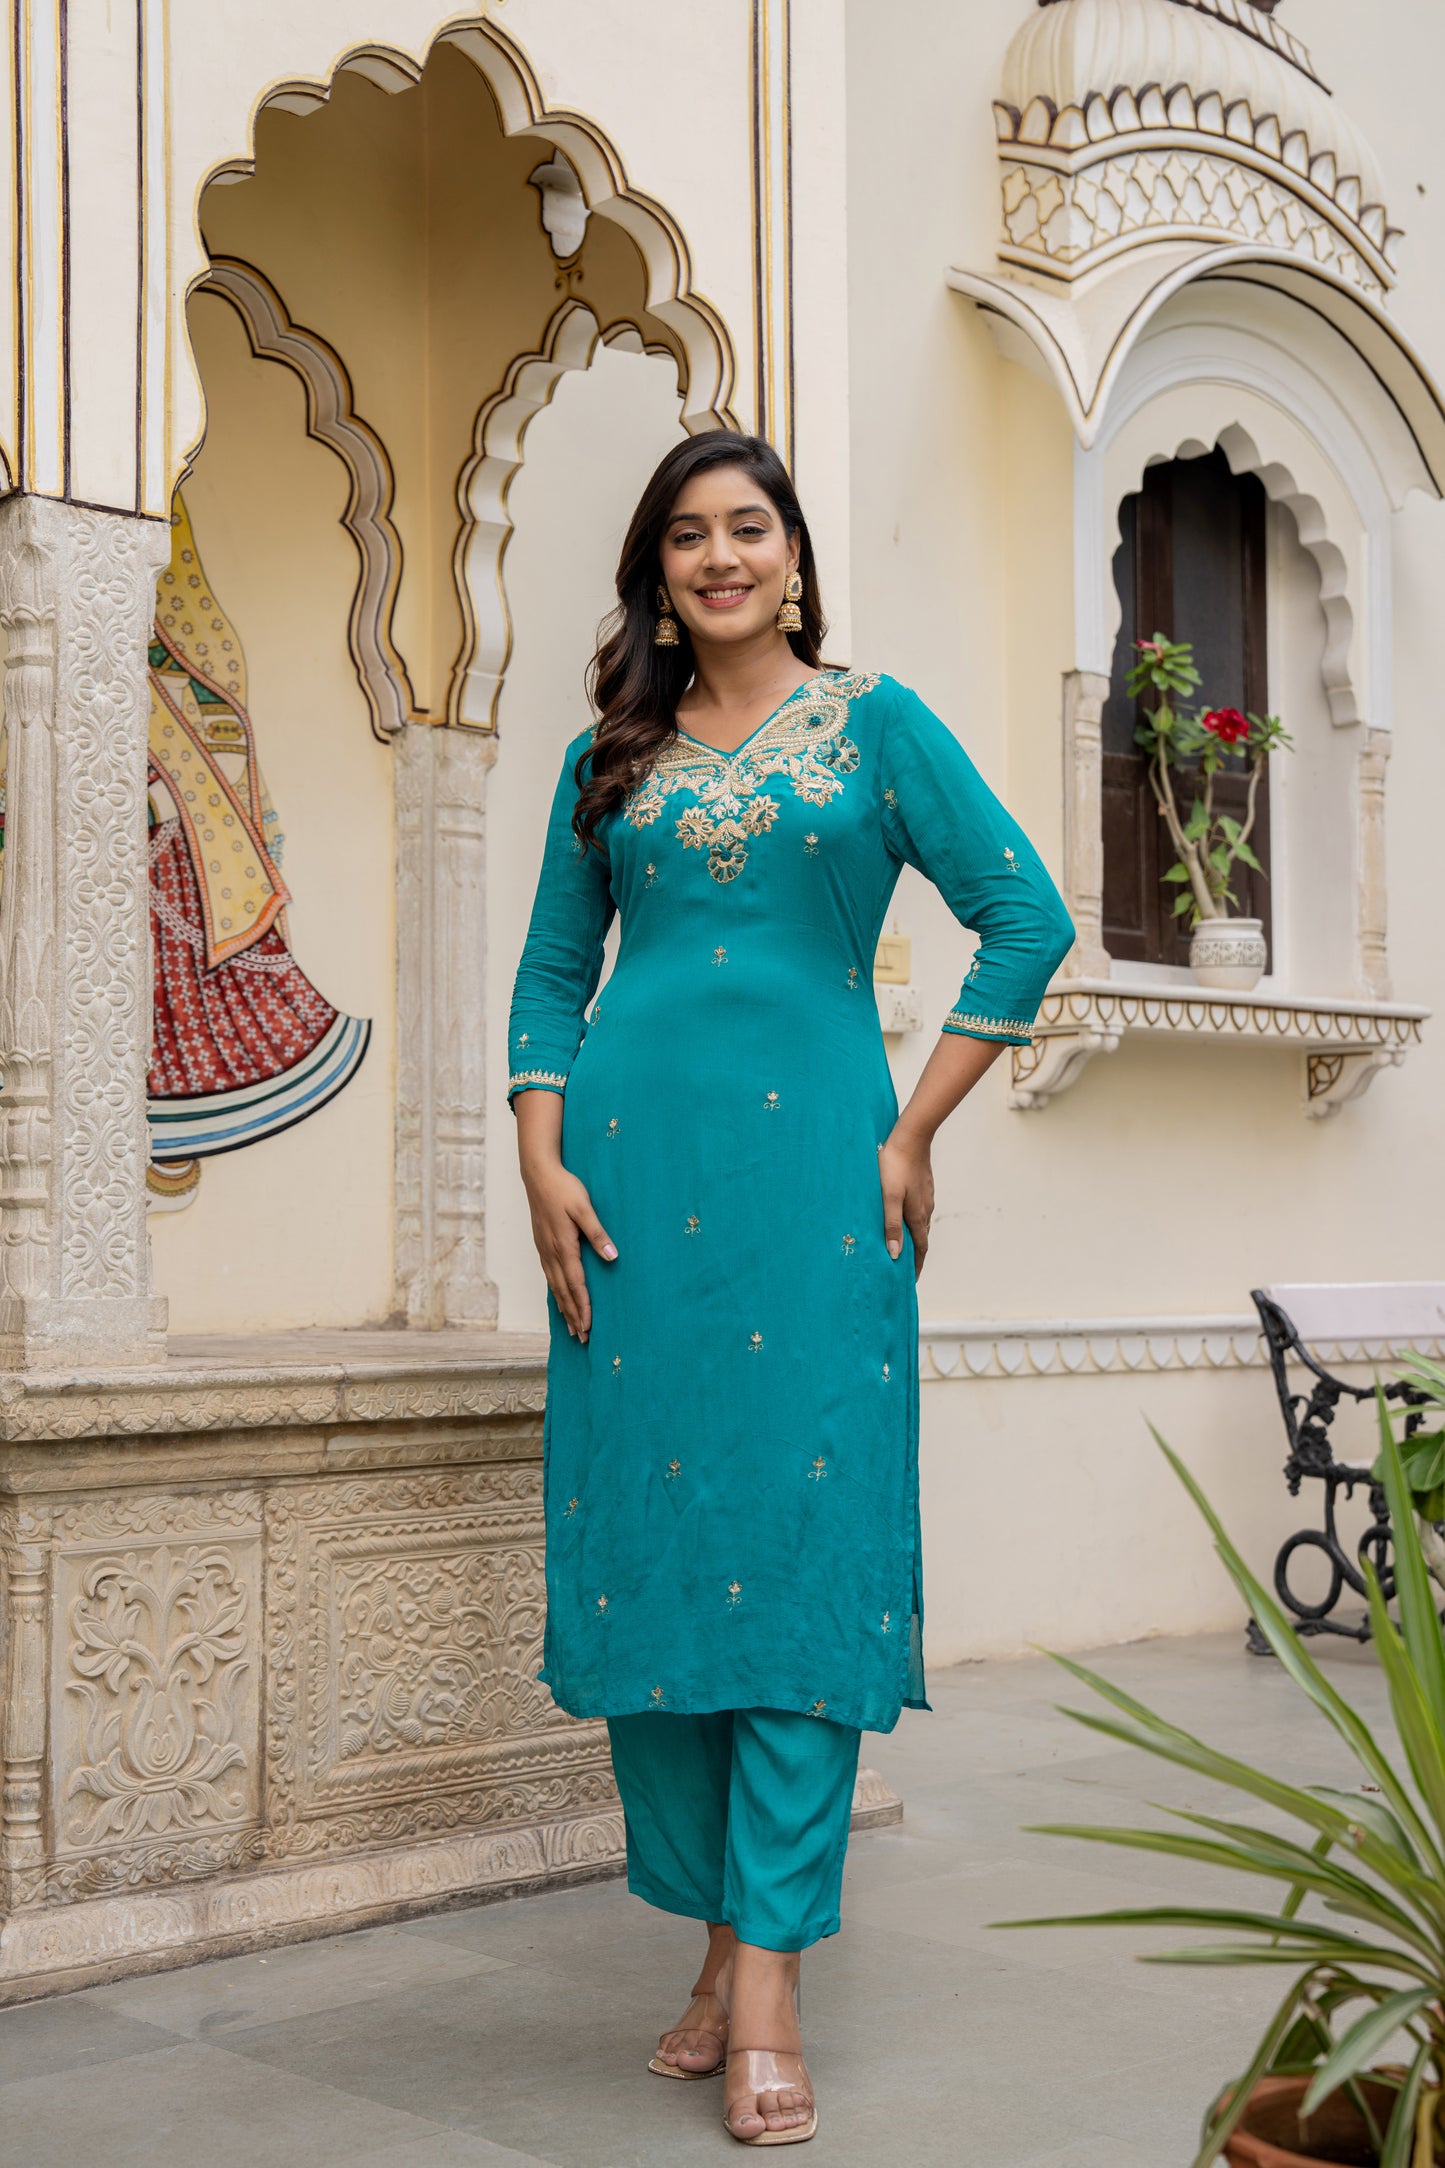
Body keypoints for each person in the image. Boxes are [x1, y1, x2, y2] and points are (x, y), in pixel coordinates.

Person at [508, 432, 1074, 2145]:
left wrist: (914, 1131)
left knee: (801, 1557)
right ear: (657, 575)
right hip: (628, 1207)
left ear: (795, 557)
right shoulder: (609, 757)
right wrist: (542, 1158)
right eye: (685, 535)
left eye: (745, 527)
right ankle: (718, 1942)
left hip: (818, 1190)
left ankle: (769, 1984)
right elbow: (549, 976)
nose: (717, 556)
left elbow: (1023, 916)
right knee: (664, 1566)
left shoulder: (874, 723)